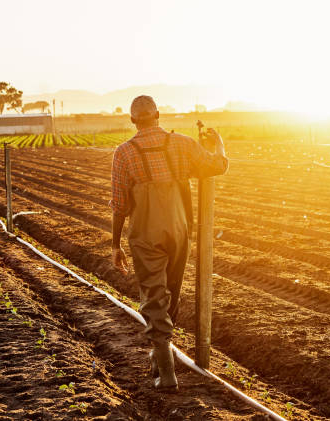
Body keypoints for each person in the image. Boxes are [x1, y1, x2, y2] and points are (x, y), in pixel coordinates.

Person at [110, 95, 228, 391]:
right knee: (171, 291)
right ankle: (158, 354)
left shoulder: (123, 153)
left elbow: (120, 205)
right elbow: (217, 165)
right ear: (159, 115)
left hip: (145, 232)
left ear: (133, 120)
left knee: (153, 295)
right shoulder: (183, 144)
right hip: (178, 228)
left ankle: (166, 372)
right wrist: (220, 143)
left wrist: (115, 244)